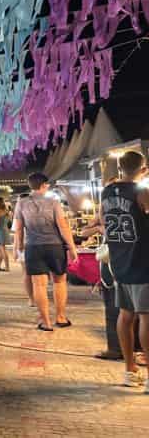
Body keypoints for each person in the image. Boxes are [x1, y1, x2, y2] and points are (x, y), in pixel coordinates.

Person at [99, 151, 149, 390]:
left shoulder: (106, 192)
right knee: (146, 317)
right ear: (144, 168)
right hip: (142, 261)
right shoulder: (142, 193)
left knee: (126, 315)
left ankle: (130, 370)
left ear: (119, 167)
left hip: (120, 261)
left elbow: (103, 223)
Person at [15, 173, 78, 331]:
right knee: (59, 282)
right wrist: (72, 247)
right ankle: (61, 317)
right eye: (47, 184)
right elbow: (63, 226)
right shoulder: (54, 202)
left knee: (39, 285)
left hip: (33, 247)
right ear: (43, 185)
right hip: (55, 246)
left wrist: (19, 248)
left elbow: (18, 229)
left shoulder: (21, 203)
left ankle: (46, 322)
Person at [0, 199, 11, 272]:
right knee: (1, 249)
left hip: (0, 230)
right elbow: (9, 221)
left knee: (2, 249)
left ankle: (7, 267)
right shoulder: (6, 210)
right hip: (5, 230)